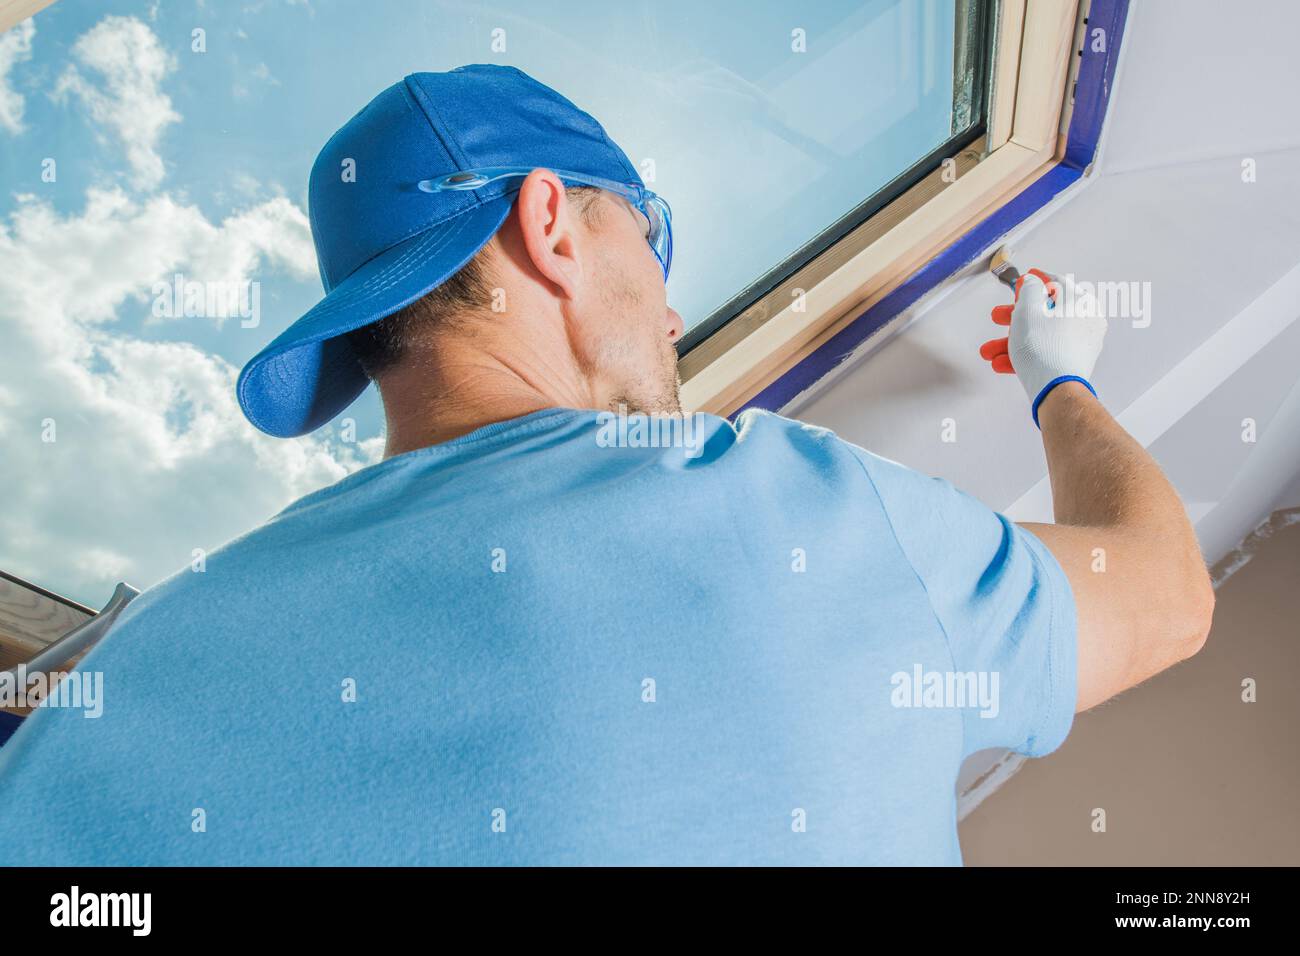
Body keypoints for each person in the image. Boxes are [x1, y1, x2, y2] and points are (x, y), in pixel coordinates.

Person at [0, 65, 1212, 865]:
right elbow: (1164, 592)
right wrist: (1063, 377)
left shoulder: (133, 672)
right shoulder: (787, 517)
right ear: (549, 226)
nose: (675, 313)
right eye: (650, 231)